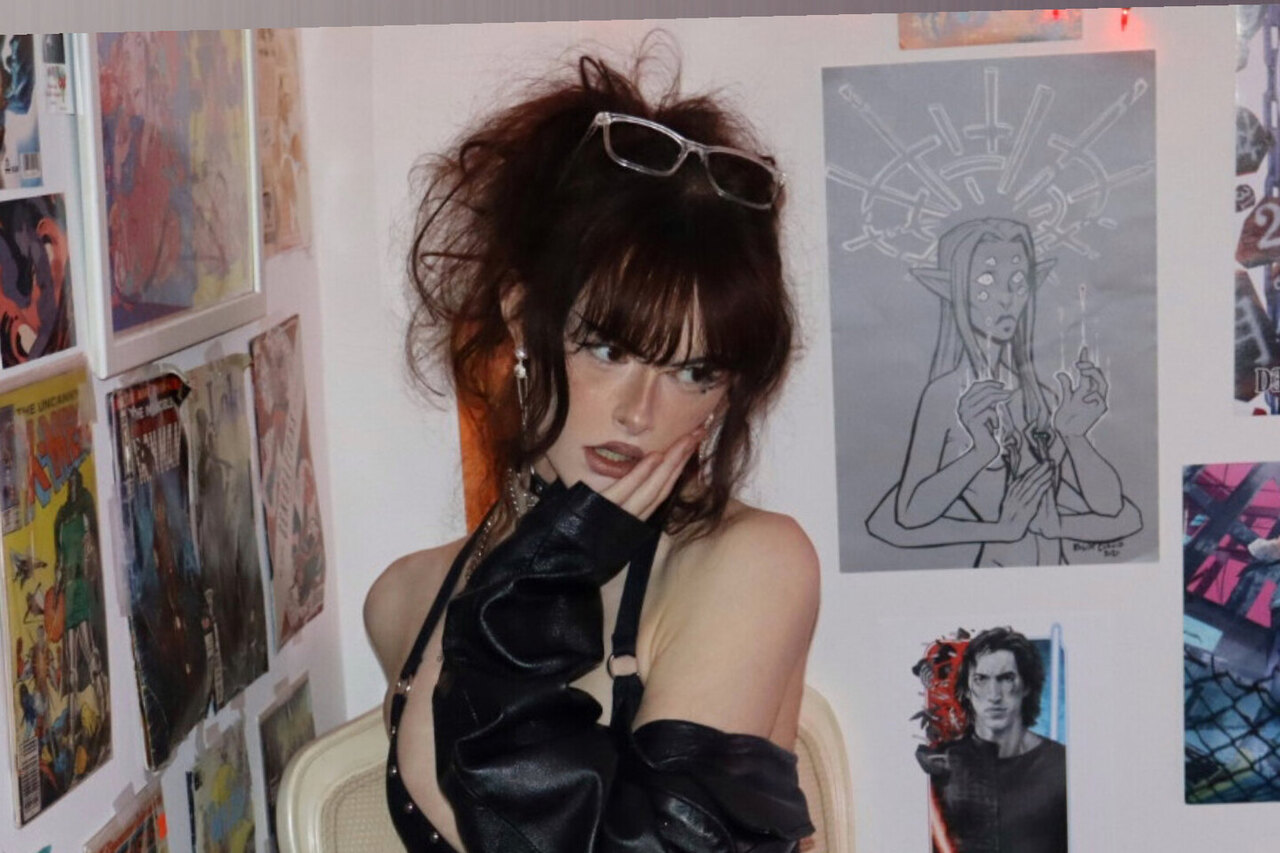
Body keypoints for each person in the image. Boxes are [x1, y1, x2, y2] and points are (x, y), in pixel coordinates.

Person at [363, 47, 819, 853]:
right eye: (609, 350)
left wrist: (533, 600)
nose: (641, 413)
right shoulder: (405, 597)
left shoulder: (750, 565)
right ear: (521, 315)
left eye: (694, 371)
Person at [865, 217, 1142, 567]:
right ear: (954, 290)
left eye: (1018, 281)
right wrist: (985, 469)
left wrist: (1075, 439)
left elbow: (1118, 512)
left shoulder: (1041, 398)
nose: (1007, 298)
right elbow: (900, 517)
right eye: (986, 280)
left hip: (1057, 582)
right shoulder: (946, 395)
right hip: (996, 578)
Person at [916, 627, 1067, 853]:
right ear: (967, 689)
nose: (994, 695)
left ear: (1026, 685)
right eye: (981, 679)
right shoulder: (941, 765)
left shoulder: (1061, 764)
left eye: (1006, 679)